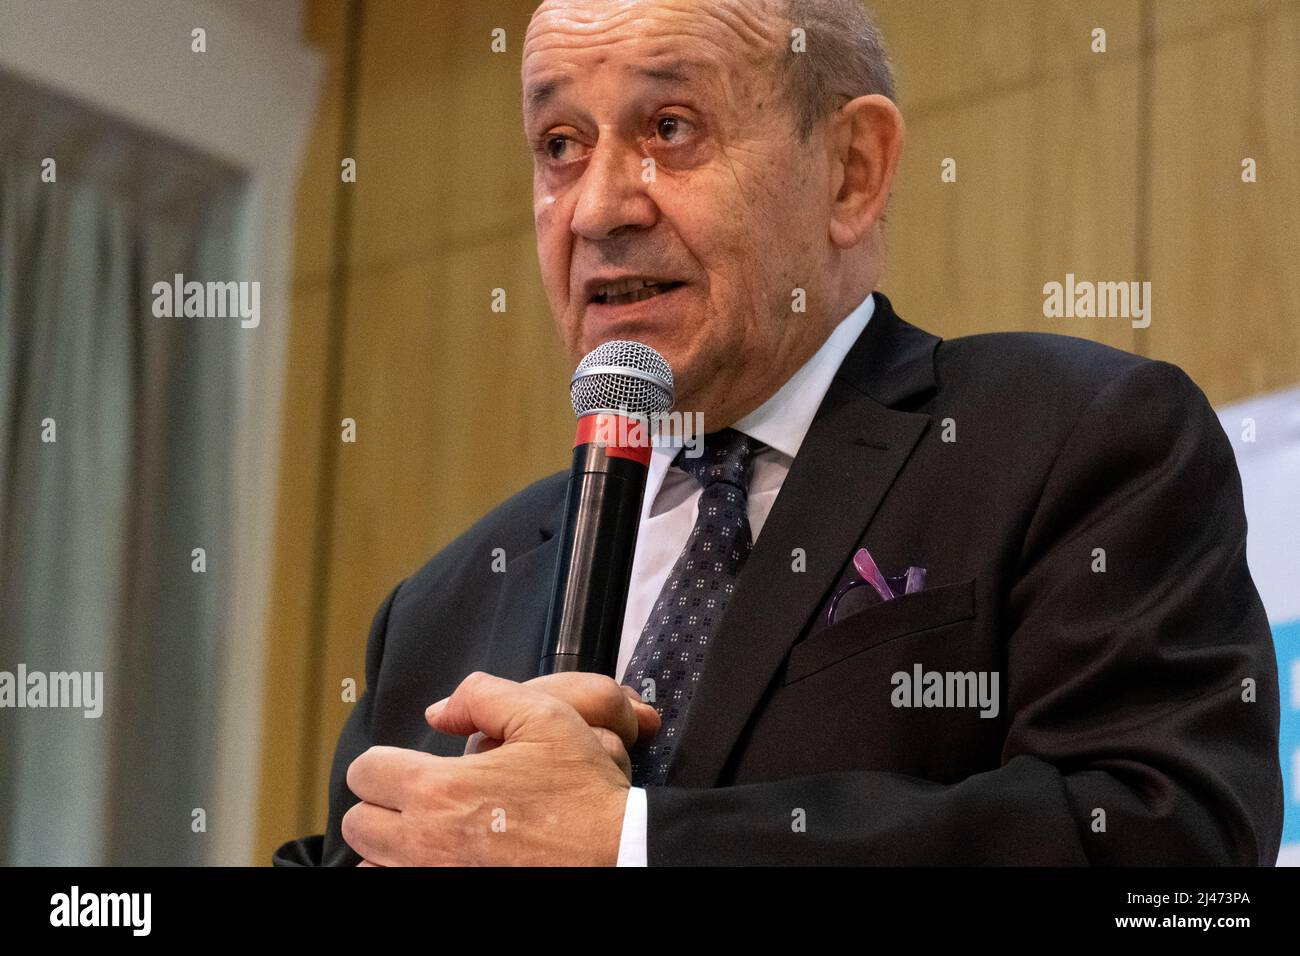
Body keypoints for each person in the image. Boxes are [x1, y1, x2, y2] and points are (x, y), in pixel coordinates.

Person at [274, 0, 1283, 866]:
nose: (597, 208)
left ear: (851, 170)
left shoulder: (1073, 439)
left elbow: (1168, 849)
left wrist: (628, 841)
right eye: (559, 145)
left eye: (669, 127)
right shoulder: (444, 607)